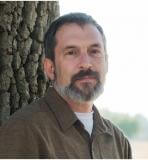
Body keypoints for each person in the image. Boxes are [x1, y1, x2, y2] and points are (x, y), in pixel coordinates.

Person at [0, 12, 132, 159]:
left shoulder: (117, 140)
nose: (86, 63)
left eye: (94, 51)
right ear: (50, 68)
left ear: (106, 63)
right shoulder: (24, 130)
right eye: (71, 52)